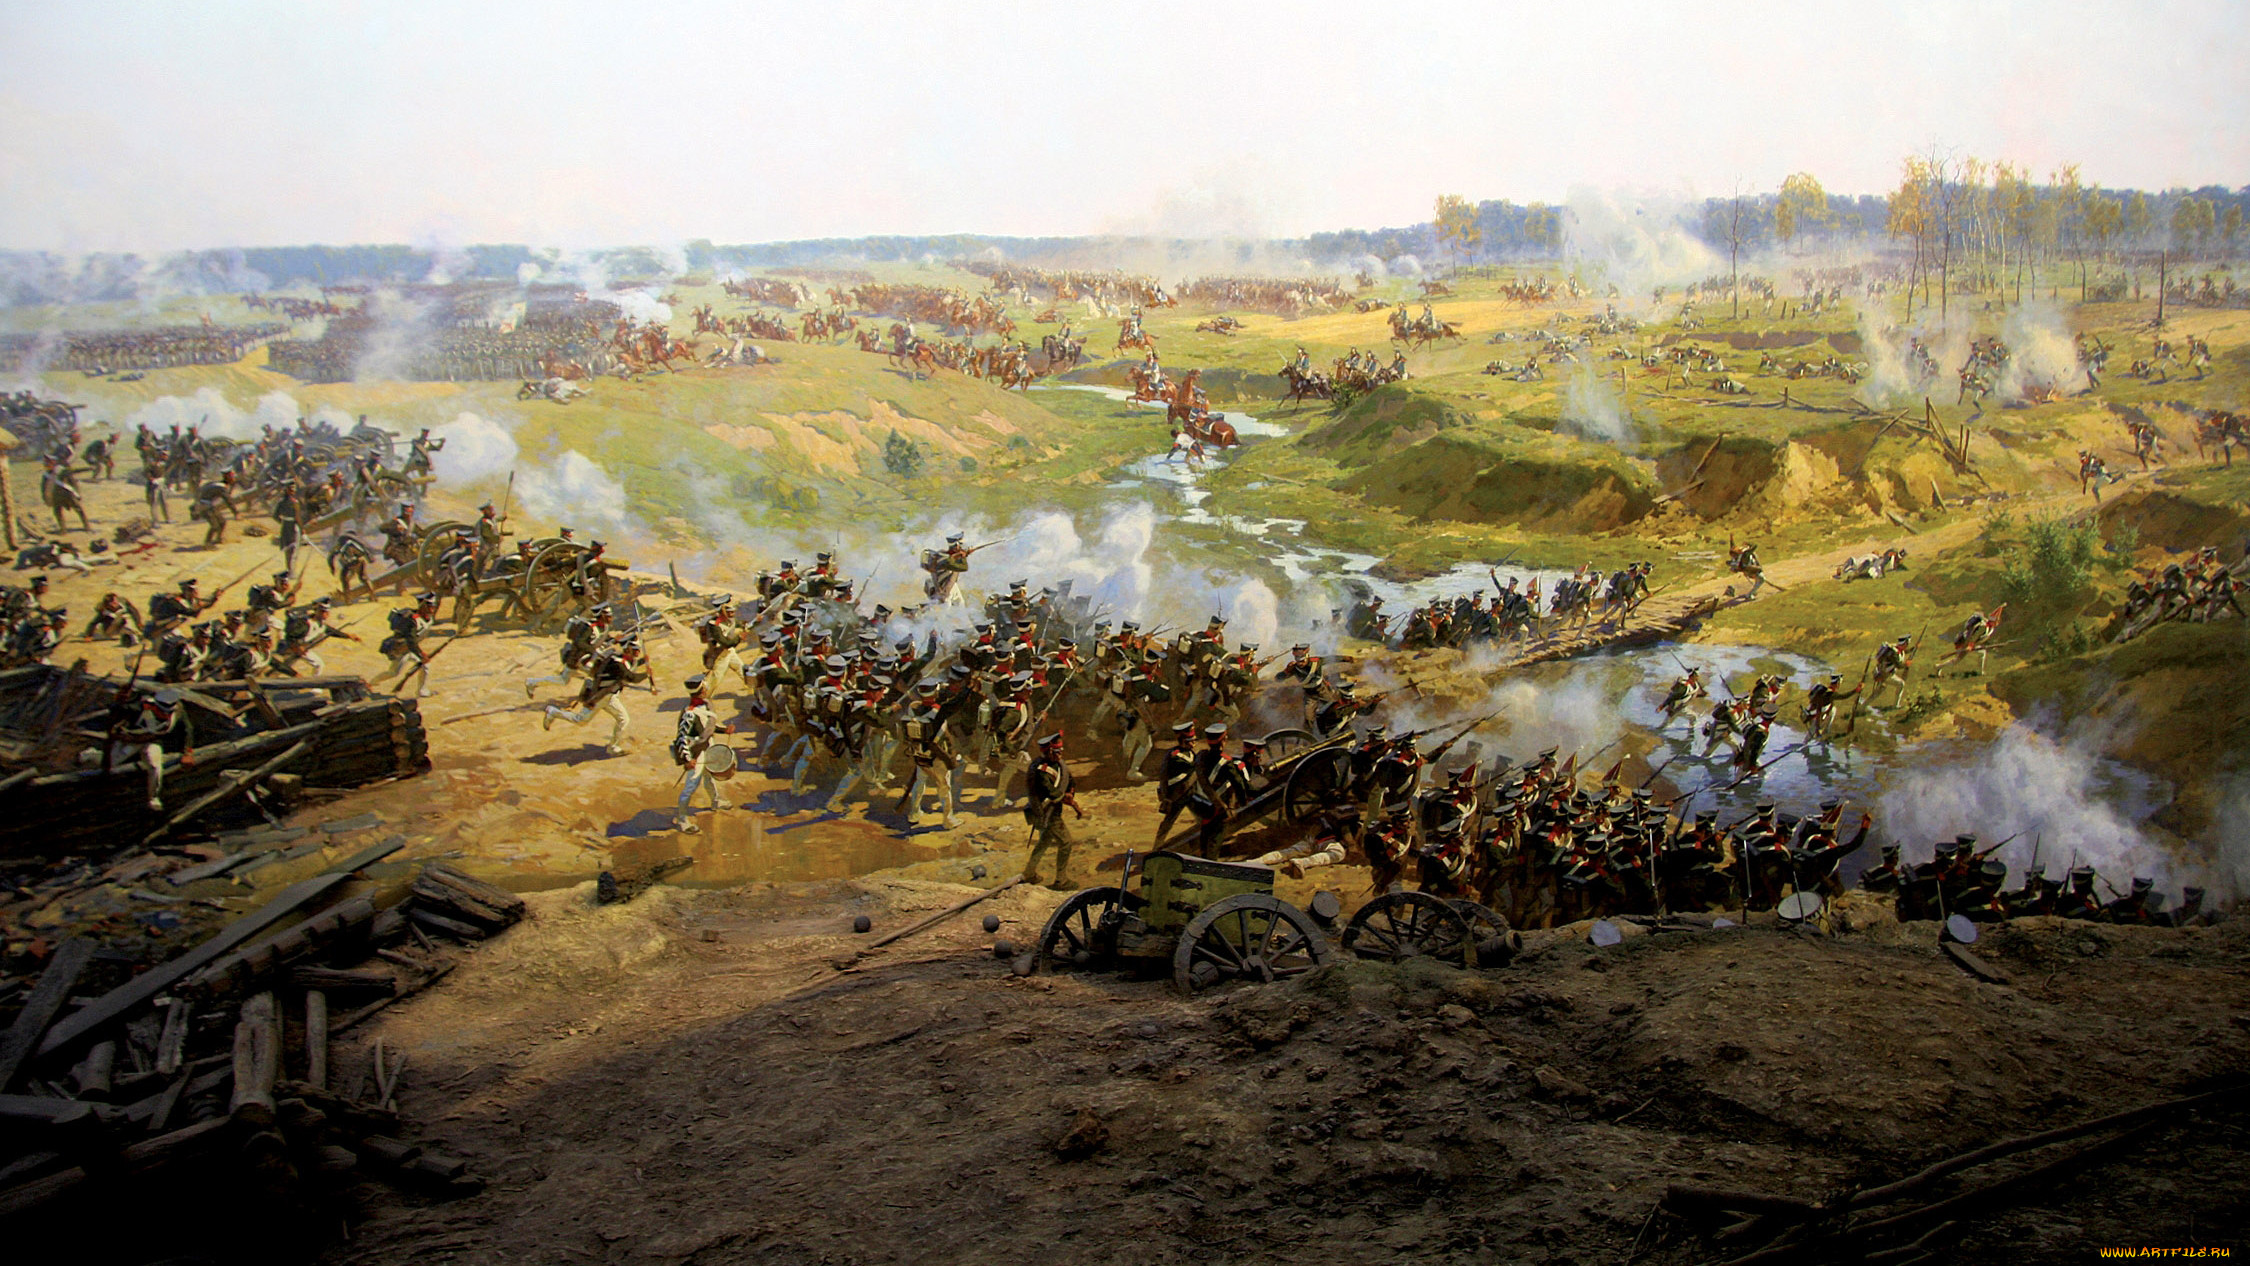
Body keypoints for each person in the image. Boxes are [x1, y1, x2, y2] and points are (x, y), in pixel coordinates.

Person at [544, 637, 649, 755]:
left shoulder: (621, 659)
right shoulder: (617, 663)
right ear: (628, 649)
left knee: (623, 719)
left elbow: (631, 667)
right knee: (581, 720)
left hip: (610, 696)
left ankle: (613, 747)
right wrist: (647, 674)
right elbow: (631, 677)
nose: (638, 652)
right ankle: (553, 712)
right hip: (599, 696)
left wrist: (643, 661)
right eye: (635, 649)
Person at [669, 673, 734, 833]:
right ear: (701, 690)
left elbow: (708, 727)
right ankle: (682, 820)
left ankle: (715, 801)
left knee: (708, 776)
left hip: (707, 745)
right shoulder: (689, 713)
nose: (706, 688)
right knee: (691, 786)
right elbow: (681, 738)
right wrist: (687, 760)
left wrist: (724, 730)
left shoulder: (705, 705)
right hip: (695, 752)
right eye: (704, 687)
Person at [1021, 731, 1084, 887]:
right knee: (1066, 842)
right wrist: (1072, 803)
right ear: (1048, 751)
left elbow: (1070, 781)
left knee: (1044, 842)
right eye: (1056, 751)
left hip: (1054, 810)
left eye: (1060, 750)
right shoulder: (1041, 770)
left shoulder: (1060, 765)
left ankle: (1029, 873)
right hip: (1045, 813)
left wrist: (1070, 793)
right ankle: (1061, 880)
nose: (1060, 754)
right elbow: (1051, 792)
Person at [380, 592, 442, 698]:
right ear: (423, 606)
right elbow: (411, 641)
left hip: (410, 649)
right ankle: (372, 683)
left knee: (425, 665)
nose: (432, 609)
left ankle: (422, 691)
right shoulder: (412, 620)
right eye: (430, 607)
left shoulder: (428, 619)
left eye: (433, 607)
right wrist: (421, 654)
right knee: (393, 673)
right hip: (401, 650)